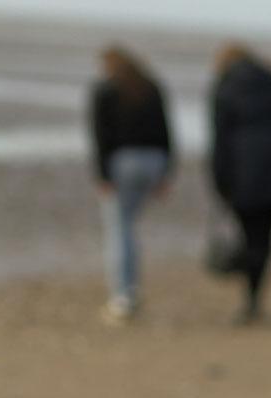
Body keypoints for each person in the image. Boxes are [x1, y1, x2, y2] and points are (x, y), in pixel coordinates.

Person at [210, 44, 271, 324]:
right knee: (264, 237)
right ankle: (254, 297)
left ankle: (250, 294)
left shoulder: (225, 86)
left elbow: (220, 139)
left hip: (244, 173)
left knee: (250, 235)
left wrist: (219, 181)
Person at [89, 45, 175, 324]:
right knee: (127, 228)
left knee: (119, 230)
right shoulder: (150, 87)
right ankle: (131, 290)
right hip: (153, 161)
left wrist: (102, 175)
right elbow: (166, 130)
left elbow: (100, 136)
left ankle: (123, 295)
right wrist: (166, 172)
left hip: (123, 162)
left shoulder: (106, 89)